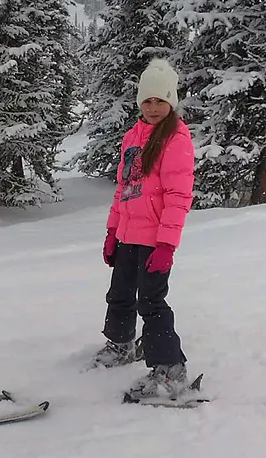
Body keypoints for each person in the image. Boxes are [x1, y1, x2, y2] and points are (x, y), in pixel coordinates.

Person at [93, 58, 195, 399]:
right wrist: (112, 232)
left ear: (171, 102)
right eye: (147, 101)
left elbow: (178, 196)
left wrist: (166, 245)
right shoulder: (131, 137)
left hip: (155, 239)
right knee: (120, 294)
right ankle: (121, 344)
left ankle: (171, 368)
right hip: (127, 235)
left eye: (160, 101)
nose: (153, 108)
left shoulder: (176, 140)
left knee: (150, 302)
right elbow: (124, 190)